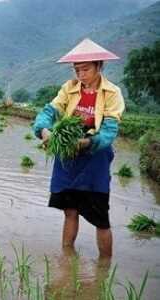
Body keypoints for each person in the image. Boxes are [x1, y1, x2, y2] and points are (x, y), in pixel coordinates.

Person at [32, 38, 125, 258]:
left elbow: (109, 132)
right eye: (77, 70)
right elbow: (48, 112)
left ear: (99, 66)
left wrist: (85, 142)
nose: (80, 75)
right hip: (68, 159)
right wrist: (44, 130)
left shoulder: (112, 93)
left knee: (100, 217)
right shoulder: (69, 88)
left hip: (94, 160)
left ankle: (104, 267)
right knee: (69, 210)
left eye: (85, 69)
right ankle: (66, 259)